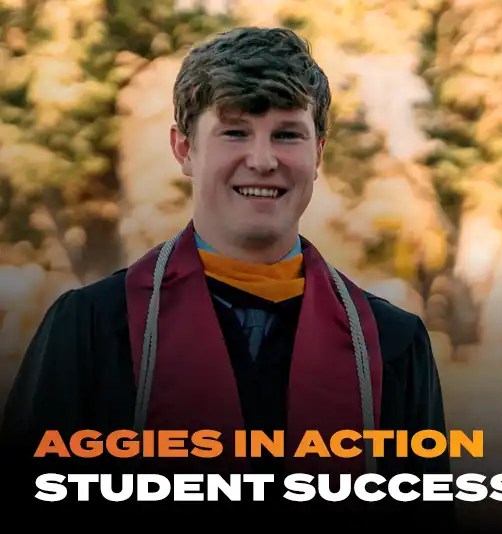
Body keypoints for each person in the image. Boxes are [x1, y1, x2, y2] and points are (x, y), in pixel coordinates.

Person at [0, 26, 452, 526]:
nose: (262, 161)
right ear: (184, 149)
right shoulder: (91, 329)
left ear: (318, 153)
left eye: (287, 134)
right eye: (235, 131)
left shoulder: (390, 344)